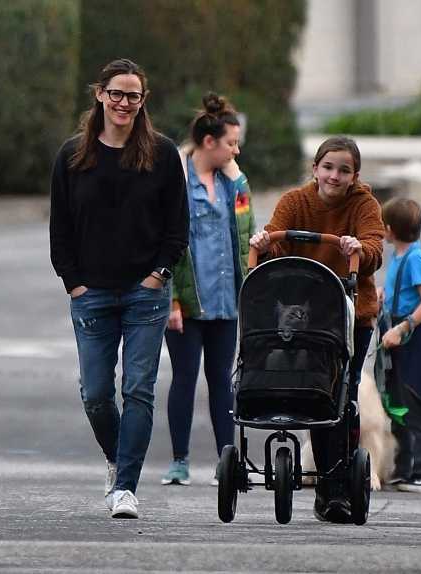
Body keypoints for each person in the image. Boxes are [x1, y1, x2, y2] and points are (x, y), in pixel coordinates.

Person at [49, 58, 189, 519]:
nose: (124, 102)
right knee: (94, 393)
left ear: (142, 101)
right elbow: (60, 231)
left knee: (140, 389)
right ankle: (116, 458)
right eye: (116, 93)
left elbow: (177, 228)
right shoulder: (73, 156)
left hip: (145, 293)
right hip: (90, 294)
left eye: (133, 95)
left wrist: (158, 276)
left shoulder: (163, 154)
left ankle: (126, 487)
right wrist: (74, 284)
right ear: (100, 95)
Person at [250, 135, 385, 523]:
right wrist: (263, 240)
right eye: (328, 167)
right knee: (313, 393)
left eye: (344, 170)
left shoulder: (364, 205)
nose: (334, 176)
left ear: (355, 176)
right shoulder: (295, 202)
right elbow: (276, 238)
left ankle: (336, 486)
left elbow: (374, 248)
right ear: (315, 169)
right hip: (304, 318)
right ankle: (325, 481)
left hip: (350, 317)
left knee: (342, 398)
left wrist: (357, 247)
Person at [160, 93, 255, 486]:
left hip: (225, 300)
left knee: (222, 379)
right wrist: (171, 300)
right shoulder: (176, 178)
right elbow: (164, 238)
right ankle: (179, 461)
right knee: (184, 377)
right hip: (186, 300)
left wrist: (238, 178)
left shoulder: (231, 182)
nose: (237, 150)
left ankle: (226, 462)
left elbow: (248, 229)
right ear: (209, 142)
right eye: (231, 142)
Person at [380, 197, 421, 493]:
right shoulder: (399, 256)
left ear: (390, 229)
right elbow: (403, 292)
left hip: (415, 341)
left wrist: (404, 326)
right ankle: (403, 467)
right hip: (396, 339)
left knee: (417, 407)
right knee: (397, 407)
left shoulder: (415, 258)